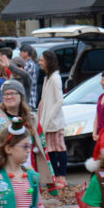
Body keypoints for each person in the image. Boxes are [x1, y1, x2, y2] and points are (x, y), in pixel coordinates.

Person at [0, 80, 54, 190]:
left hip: (30, 181)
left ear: (21, 96)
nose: (9, 97)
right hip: (4, 182)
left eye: (13, 93)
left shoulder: (33, 120)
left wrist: (52, 183)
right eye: (6, 94)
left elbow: (43, 149)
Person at [37, 49, 67, 188]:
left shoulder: (55, 78)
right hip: (46, 121)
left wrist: (50, 117)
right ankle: (54, 176)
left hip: (54, 122)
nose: (40, 63)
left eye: (42, 60)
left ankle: (62, 176)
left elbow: (59, 100)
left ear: (48, 61)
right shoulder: (48, 78)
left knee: (59, 148)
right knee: (50, 149)